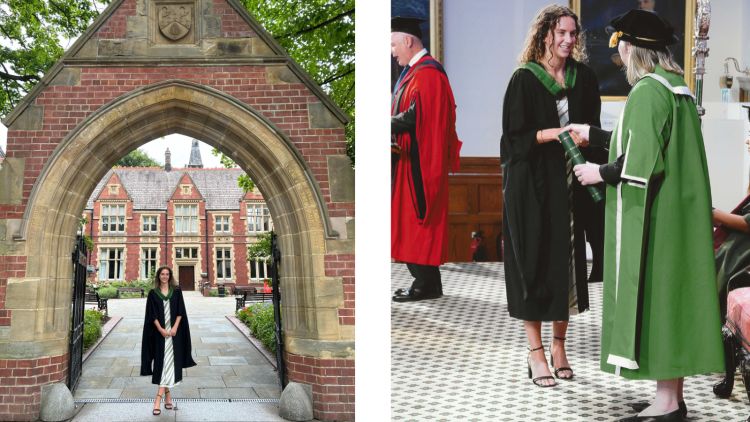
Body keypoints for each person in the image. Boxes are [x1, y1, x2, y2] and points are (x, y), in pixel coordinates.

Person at [570, 9, 724, 421]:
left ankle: (668, 404)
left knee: (656, 303)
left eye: (621, 48)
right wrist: (596, 135)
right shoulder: (677, 87)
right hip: (681, 216)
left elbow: (638, 164)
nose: (618, 56)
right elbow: (642, 141)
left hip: (658, 219)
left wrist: (595, 172)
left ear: (633, 49)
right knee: (672, 304)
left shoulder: (646, 93)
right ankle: (670, 395)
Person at [500, 4, 601, 388]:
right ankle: (536, 352)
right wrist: (554, 134)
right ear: (545, 34)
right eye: (561, 32)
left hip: (571, 186)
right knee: (534, 264)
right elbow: (512, 141)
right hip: (533, 187)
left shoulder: (584, 78)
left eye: (573, 34)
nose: (568, 40)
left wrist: (584, 139)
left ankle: (560, 346)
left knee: (567, 266)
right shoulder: (524, 80)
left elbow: (592, 129)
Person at [390, 16, 461, 302]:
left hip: (420, 165)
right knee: (410, 224)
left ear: (409, 41)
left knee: (419, 223)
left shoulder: (428, 73)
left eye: (394, 44)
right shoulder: (414, 72)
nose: (392, 51)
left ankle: (425, 285)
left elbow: (418, 117)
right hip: (409, 160)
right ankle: (428, 283)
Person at [141, 266, 196, 415]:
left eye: (167, 274)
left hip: (174, 334)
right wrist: (161, 330)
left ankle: (159, 398)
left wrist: (175, 328)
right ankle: (165, 396)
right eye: (162, 274)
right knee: (163, 363)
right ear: (158, 276)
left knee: (169, 363)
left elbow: (180, 311)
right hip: (160, 334)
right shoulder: (153, 294)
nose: (164, 276)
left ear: (170, 276)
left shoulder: (176, 291)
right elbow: (151, 315)